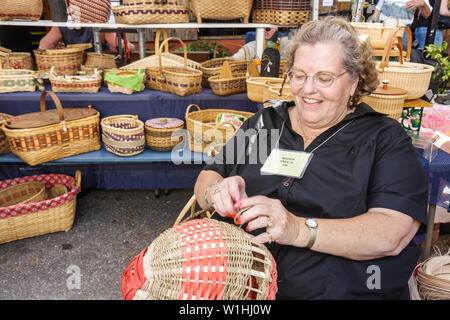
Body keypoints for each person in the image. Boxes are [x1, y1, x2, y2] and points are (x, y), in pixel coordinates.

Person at [193, 16, 429, 299]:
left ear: (354, 81)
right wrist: (216, 191)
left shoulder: (384, 139)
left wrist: (297, 229)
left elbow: (393, 232)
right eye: (299, 75)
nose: (307, 89)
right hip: (241, 288)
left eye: (324, 78)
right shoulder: (264, 123)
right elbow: (208, 176)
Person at [38, 26, 135, 53]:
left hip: (99, 69)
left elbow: (124, 47)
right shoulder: (61, 26)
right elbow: (43, 46)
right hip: (73, 69)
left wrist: (121, 46)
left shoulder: (100, 25)